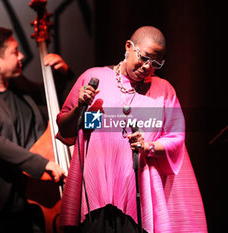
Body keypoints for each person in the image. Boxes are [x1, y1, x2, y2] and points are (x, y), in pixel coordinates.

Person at [56, 26, 207, 233]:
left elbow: (176, 137)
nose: (147, 67)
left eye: (156, 63)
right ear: (129, 47)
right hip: (94, 195)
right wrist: (79, 107)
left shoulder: (163, 90)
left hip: (139, 193)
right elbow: (65, 129)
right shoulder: (94, 78)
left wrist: (149, 147)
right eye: (144, 58)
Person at [0, 27, 69, 233]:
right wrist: (43, 163)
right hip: (3, 195)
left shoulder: (14, 82)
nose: (21, 56)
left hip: (30, 186)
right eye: (15, 51)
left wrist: (61, 73)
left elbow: (44, 96)